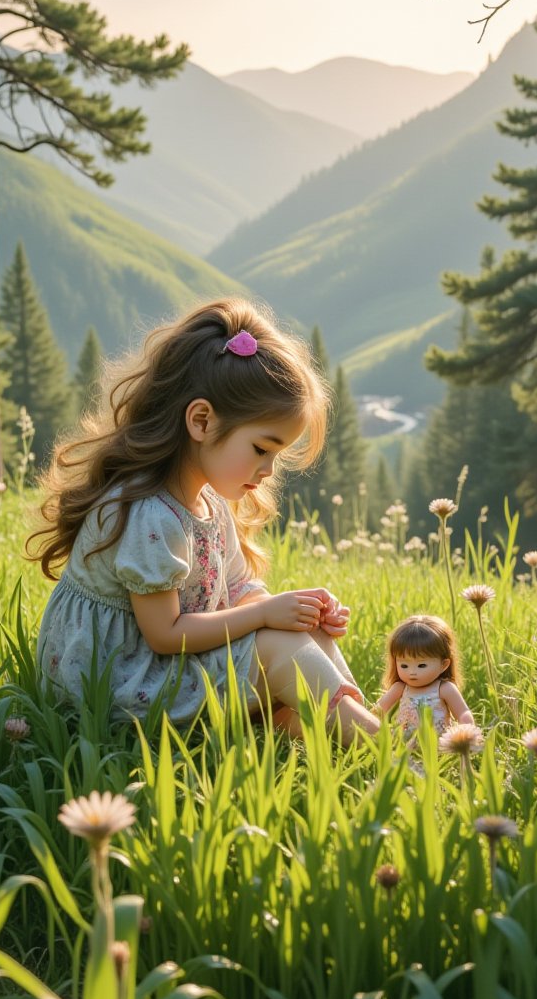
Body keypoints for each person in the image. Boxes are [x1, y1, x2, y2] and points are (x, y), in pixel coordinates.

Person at [29, 297, 381, 744]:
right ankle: (390, 746)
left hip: (163, 667)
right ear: (201, 421)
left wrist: (293, 610)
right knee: (277, 646)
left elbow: (237, 589)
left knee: (294, 636)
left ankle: (351, 727)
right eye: (261, 449)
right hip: (120, 686)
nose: (269, 470)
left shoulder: (209, 503)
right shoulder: (149, 514)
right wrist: (267, 617)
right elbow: (164, 634)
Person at [374, 614, 474, 744]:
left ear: (443, 665)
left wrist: (466, 728)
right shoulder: (400, 688)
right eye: (404, 665)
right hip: (405, 745)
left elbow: (462, 713)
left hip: (438, 746)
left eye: (421, 665)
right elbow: (379, 710)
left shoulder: (444, 689)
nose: (412, 672)